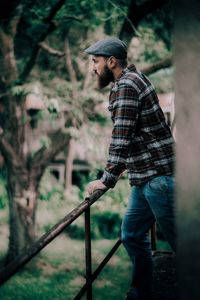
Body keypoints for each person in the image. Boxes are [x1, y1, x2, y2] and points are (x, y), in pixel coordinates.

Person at [85, 37, 175, 300]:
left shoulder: (127, 85)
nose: (93, 67)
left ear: (111, 61)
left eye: (95, 61)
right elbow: (138, 132)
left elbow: (122, 135)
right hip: (144, 176)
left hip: (159, 178)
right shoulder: (133, 80)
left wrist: (107, 179)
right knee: (132, 234)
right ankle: (141, 292)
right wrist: (125, 166)